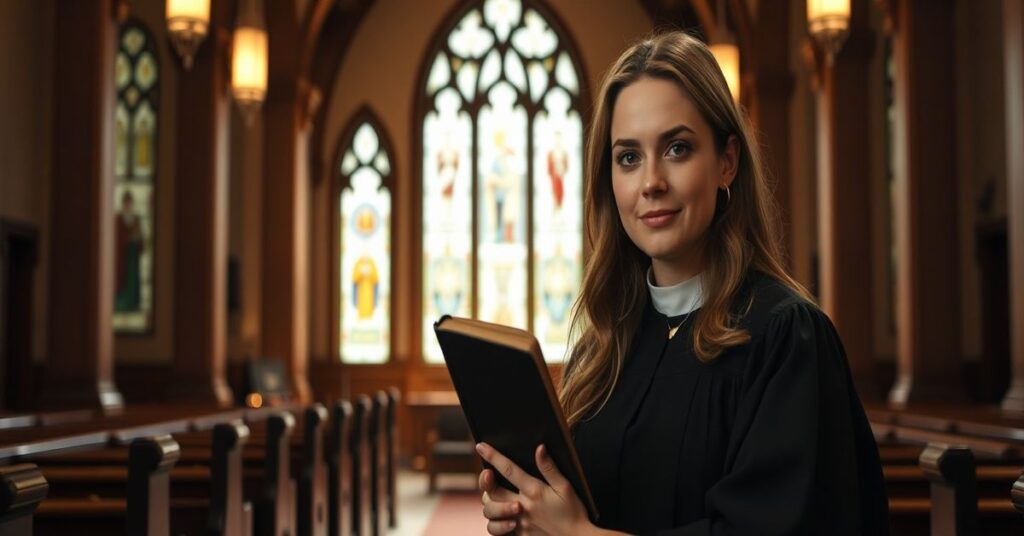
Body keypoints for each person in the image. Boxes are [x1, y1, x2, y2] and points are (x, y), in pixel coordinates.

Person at [474, 31, 889, 535]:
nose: (651, 181)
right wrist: (527, 514)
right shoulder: (602, 347)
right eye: (628, 157)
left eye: (677, 148)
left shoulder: (786, 338)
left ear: (726, 162)